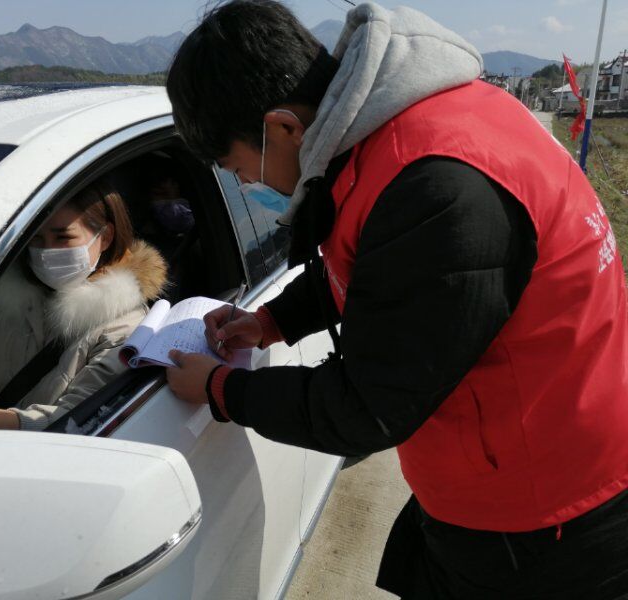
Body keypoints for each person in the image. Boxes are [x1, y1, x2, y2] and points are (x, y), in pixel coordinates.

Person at [163, 1, 628, 598]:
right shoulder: (418, 127)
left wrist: (220, 390)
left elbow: (365, 407)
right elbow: (384, 271)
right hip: (514, 467)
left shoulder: (438, 186)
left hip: (546, 522)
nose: (246, 184)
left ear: (283, 128)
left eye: (237, 168)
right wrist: (271, 320)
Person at [0, 182, 167, 443]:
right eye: (37, 239)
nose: (46, 251)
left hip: (46, 454)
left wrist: (6, 422)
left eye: (63, 237)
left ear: (106, 237)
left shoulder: (127, 327)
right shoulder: (14, 298)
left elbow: (82, 418)